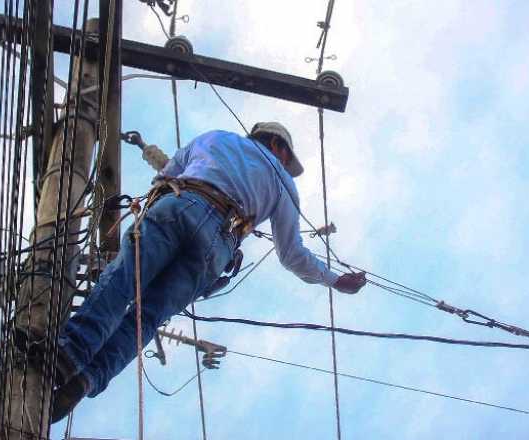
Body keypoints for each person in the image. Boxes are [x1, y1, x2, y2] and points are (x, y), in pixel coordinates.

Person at [41, 122, 367, 422]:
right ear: (279, 147)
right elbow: (292, 254)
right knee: (147, 317)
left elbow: (166, 174)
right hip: (218, 245)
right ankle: (88, 378)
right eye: (286, 158)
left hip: (181, 203)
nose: (285, 165)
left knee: (125, 277)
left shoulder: (216, 138)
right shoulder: (283, 184)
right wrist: (335, 280)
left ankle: (70, 353)